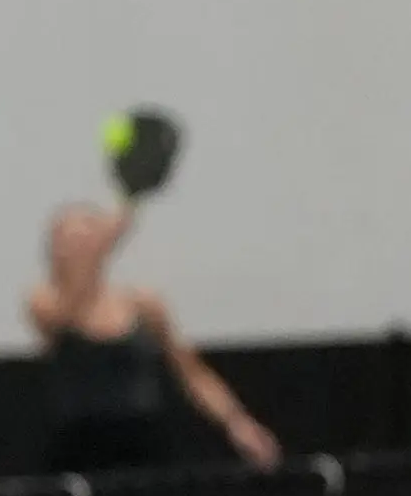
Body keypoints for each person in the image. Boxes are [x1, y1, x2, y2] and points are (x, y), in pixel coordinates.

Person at [24, 200, 277, 473]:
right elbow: (67, 313)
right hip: (78, 450)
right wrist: (104, 243)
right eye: (69, 241)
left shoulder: (142, 305)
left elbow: (193, 373)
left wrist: (237, 422)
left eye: (87, 237)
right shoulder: (42, 301)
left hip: (144, 446)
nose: (80, 248)